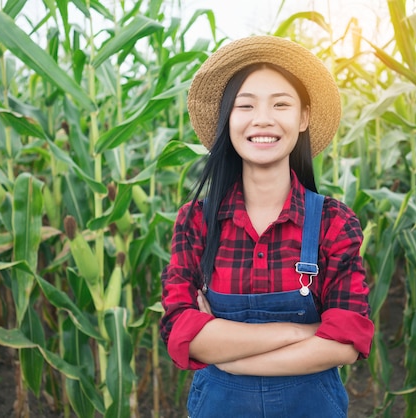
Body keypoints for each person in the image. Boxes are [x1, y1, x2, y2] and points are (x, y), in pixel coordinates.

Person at [159, 35, 374, 418]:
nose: (263, 119)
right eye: (245, 105)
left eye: (281, 104)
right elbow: (180, 331)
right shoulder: (196, 223)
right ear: (229, 119)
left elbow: (347, 341)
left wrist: (231, 356)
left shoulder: (333, 223)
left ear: (303, 117)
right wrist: (300, 333)